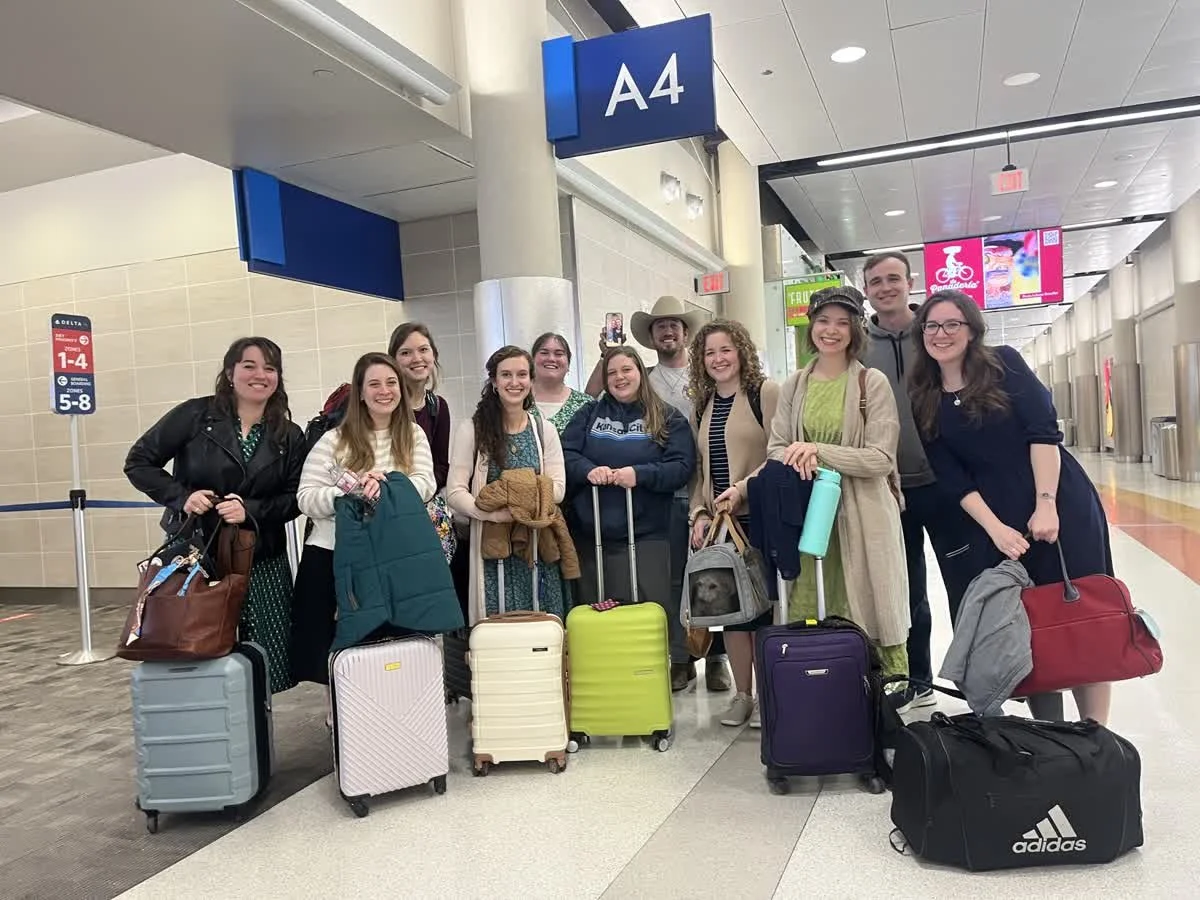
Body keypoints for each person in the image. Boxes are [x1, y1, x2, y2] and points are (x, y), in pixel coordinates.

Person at [907, 290, 1113, 724]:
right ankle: (1052, 734)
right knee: (1030, 624)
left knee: (1081, 618)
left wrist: (1046, 505)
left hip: (1057, 498)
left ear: (971, 329)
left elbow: (1043, 432)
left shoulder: (1003, 364)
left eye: (952, 324)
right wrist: (996, 529)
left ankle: (1096, 736)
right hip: (996, 517)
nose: (941, 334)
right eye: (931, 326)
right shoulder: (924, 393)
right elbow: (952, 475)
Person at [124, 337, 306, 694]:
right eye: (249, 365)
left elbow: (295, 498)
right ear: (230, 372)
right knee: (195, 644)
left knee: (265, 657)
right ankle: (208, 722)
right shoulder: (195, 415)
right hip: (196, 554)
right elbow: (139, 462)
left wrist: (250, 510)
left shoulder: (289, 434)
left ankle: (254, 733)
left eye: (270, 368)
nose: (260, 375)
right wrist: (183, 497)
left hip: (261, 559)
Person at [585, 296, 731, 693]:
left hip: (708, 487)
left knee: (713, 573)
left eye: (674, 325)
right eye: (660, 326)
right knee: (670, 579)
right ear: (651, 337)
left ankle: (717, 655)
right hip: (665, 494)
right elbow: (590, 398)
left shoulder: (705, 375)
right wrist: (607, 357)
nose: (668, 331)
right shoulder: (642, 377)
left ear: (686, 333)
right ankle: (680, 658)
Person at [766, 286, 911, 678]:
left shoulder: (871, 383)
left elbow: (881, 458)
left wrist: (818, 451)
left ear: (855, 329)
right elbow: (777, 448)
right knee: (810, 604)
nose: (831, 331)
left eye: (843, 323)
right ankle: (822, 696)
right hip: (808, 516)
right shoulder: (795, 384)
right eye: (824, 321)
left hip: (862, 516)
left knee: (870, 605)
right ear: (811, 326)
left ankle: (880, 700)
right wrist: (800, 453)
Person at [291, 352, 436, 715]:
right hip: (333, 557)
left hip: (394, 557)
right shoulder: (333, 441)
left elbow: (425, 484)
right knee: (340, 650)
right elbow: (306, 498)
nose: (384, 391)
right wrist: (348, 494)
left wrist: (386, 485)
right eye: (374, 383)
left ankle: (394, 724)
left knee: (394, 649)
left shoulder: (413, 434)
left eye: (391, 383)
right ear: (359, 392)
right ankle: (344, 726)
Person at [863, 252, 977, 711]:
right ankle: (918, 678)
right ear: (866, 288)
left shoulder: (935, 335)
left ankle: (976, 676)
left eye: (893, 278)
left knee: (965, 584)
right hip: (890, 490)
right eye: (876, 281)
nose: (885, 287)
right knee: (907, 591)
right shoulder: (859, 344)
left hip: (948, 484)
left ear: (910, 282)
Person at [686, 320, 780, 727]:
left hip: (757, 517)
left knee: (763, 612)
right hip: (721, 526)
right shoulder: (703, 405)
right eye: (709, 353)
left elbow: (780, 452)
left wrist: (742, 488)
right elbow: (700, 471)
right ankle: (743, 695)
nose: (718, 359)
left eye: (726, 349)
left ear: (741, 351)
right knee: (732, 615)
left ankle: (771, 696)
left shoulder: (765, 394)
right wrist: (700, 513)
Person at [563, 348, 696, 637]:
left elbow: (681, 466)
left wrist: (639, 474)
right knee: (598, 613)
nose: (619, 377)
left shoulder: (667, 416)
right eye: (611, 372)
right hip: (593, 534)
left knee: (652, 611)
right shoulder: (588, 414)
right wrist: (588, 470)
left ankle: (662, 667)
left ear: (640, 373)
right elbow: (566, 453)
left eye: (626, 370)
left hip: (648, 533)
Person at [446, 346, 569, 622]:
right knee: (497, 624)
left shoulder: (543, 430)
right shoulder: (472, 430)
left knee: (541, 624)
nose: (515, 382)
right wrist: (492, 514)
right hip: (492, 547)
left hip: (535, 545)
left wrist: (519, 498)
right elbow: (455, 492)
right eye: (506, 375)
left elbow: (559, 488)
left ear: (531, 379)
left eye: (522, 374)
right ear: (493, 381)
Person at [387, 322, 451, 489]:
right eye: (406, 353)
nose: (417, 359)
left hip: (420, 498)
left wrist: (419, 491)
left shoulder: (438, 407)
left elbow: (440, 466)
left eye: (423, 350)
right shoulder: (385, 406)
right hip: (384, 499)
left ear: (434, 354)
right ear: (393, 361)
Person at [530, 332, 592, 434]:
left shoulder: (585, 403)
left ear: (568, 364)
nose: (551, 359)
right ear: (532, 360)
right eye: (544, 353)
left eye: (559, 354)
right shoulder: (517, 399)